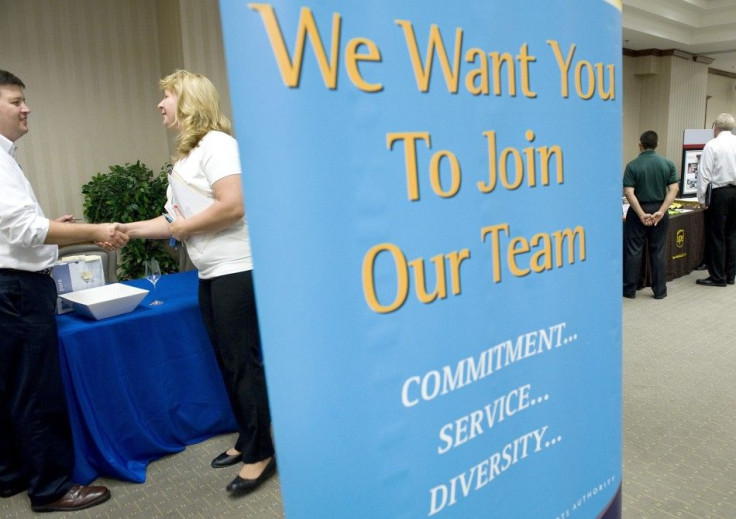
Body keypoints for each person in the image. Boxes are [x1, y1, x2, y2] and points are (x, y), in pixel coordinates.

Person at [117, 70, 275, 495]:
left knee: (243, 362)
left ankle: (262, 452)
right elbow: (172, 220)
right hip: (210, 272)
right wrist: (124, 229)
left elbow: (233, 206)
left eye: (165, 95)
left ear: (186, 100)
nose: (159, 104)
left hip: (237, 268)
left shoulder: (219, 145)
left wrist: (185, 231)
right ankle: (249, 437)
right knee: (227, 360)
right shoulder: (185, 158)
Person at [0, 70, 126, 512]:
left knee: (12, 388)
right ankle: (51, 488)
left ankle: (12, 474)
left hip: (8, 287)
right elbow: (24, 229)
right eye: (16, 100)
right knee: (36, 391)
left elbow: (15, 231)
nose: (26, 108)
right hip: (16, 290)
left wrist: (57, 231)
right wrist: (95, 230)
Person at [622, 130, 678, 299]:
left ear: (640, 144)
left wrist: (640, 214)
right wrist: (661, 211)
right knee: (658, 251)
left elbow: (629, 193)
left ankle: (629, 290)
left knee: (633, 251)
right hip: (660, 209)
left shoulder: (632, 166)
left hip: (638, 210)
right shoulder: (668, 164)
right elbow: (673, 189)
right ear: (657, 144)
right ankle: (660, 291)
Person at [695, 113, 736, 287]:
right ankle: (730, 275)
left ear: (715, 128)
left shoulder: (712, 145)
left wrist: (702, 198)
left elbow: (704, 174)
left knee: (716, 236)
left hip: (719, 194)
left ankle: (717, 276)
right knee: (732, 235)